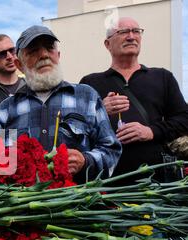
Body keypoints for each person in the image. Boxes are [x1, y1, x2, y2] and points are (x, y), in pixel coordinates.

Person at [0, 25, 122, 183]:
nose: (44, 55)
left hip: (79, 203)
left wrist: (86, 161)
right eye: (33, 51)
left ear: (58, 55)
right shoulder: (6, 109)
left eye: (49, 48)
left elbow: (112, 150)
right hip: (23, 204)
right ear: (19, 64)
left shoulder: (87, 97)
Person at [80, 17, 188, 182]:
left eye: (136, 31)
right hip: (106, 185)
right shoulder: (90, 83)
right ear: (107, 44)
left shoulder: (162, 77)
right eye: (123, 32)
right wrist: (100, 111)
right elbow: (76, 131)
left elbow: (184, 119)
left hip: (158, 185)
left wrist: (151, 131)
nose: (131, 36)